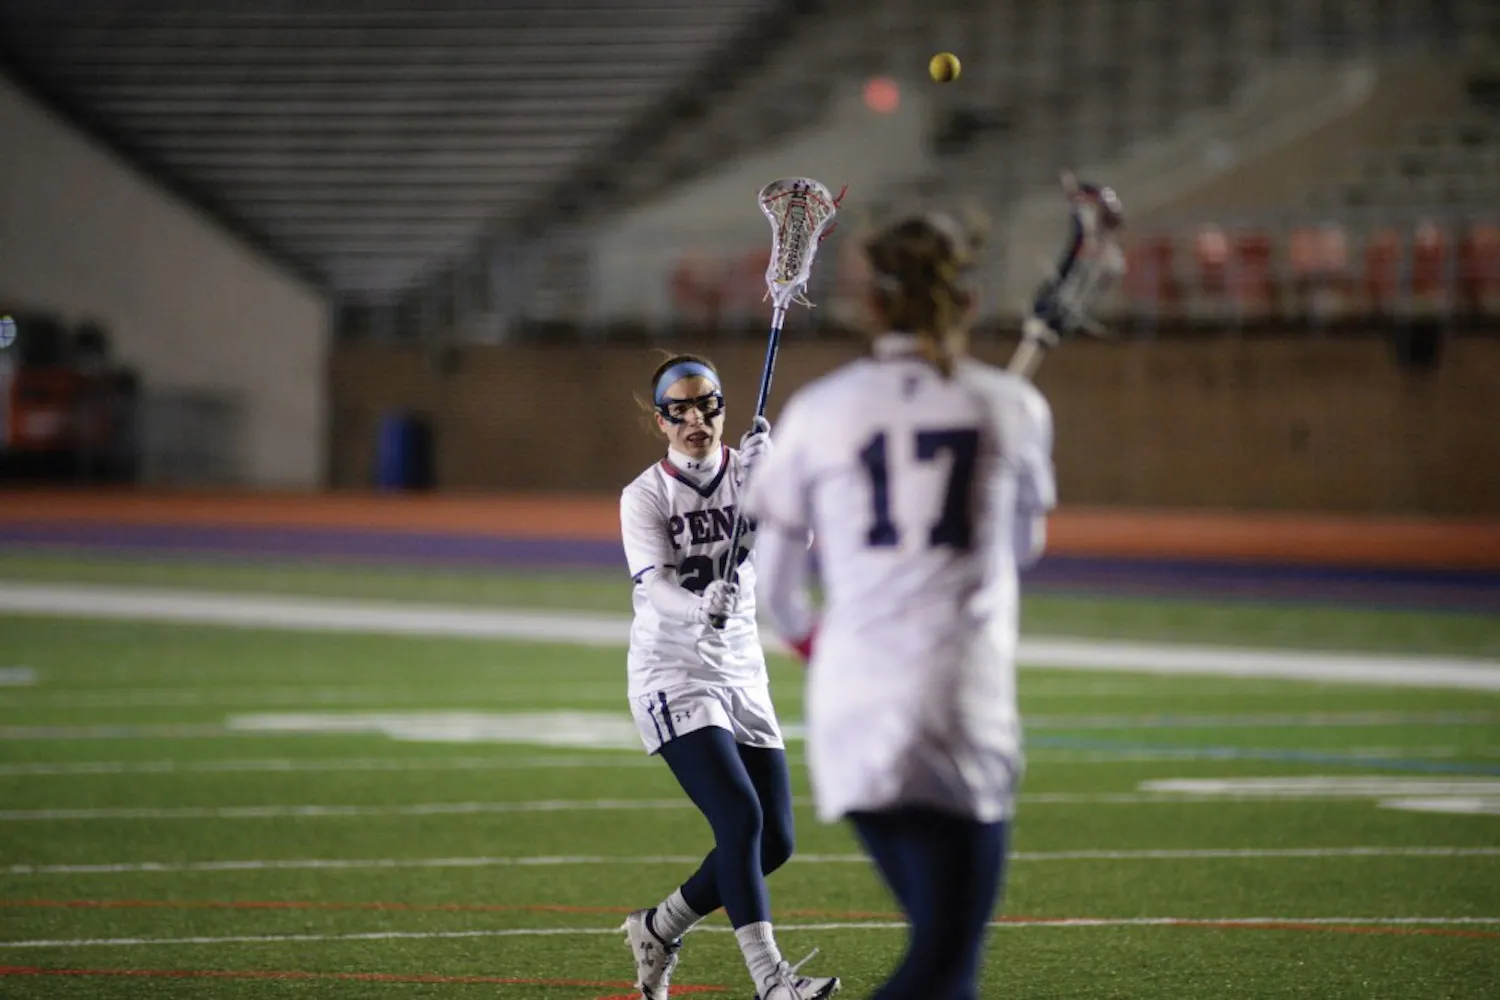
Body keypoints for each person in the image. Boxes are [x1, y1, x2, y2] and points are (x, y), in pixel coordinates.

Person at [743, 212, 1056, 1000]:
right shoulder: (1010, 406)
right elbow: (1021, 550)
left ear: (868, 305)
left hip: (852, 702)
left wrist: (824, 649)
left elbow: (778, 593)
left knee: (944, 967)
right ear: (969, 300)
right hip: (959, 698)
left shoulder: (818, 409)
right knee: (946, 966)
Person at [617, 352, 841, 1000]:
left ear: (723, 407)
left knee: (775, 841)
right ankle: (772, 981)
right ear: (660, 421)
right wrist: (697, 604)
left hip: (742, 667)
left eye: (707, 404)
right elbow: (656, 587)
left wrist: (778, 483)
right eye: (679, 409)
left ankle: (659, 926)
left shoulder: (750, 471)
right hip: (673, 670)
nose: (696, 419)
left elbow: (793, 547)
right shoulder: (645, 495)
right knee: (739, 817)